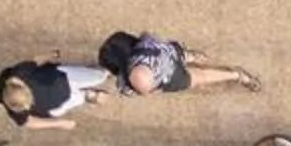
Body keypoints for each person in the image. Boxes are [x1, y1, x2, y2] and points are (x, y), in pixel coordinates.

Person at [98, 32, 260, 97]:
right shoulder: (143, 41)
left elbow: (148, 90)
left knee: (200, 77)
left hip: (170, 76)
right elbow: (154, 40)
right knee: (183, 55)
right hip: (170, 53)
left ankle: (237, 75)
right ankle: (191, 56)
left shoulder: (136, 76)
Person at [0, 60, 111, 131]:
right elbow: (28, 122)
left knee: (98, 76)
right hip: (58, 102)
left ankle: (100, 76)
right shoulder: (15, 108)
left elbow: (36, 61)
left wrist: (52, 55)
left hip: (63, 77)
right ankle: (87, 95)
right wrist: (60, 124)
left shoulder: (20, 73)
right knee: (76, 99)